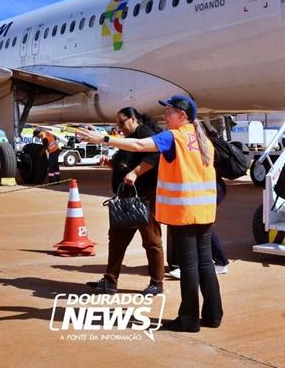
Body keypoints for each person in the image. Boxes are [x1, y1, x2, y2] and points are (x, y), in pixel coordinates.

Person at [77, 94, 222, 333]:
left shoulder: (173, 137)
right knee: (205, 263)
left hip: (184, 211)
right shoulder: (203, 139)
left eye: (169, 111)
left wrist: (103, 138)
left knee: (189, 265)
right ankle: (213, 315)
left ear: (182, 115)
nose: (164, 115)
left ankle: (189, 319)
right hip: (205, 211)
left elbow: (138, 145)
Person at [86, 107, 165, 296]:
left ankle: (157, 283)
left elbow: (155, 155)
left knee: (151, 240)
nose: (120, 127)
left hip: (144, 196)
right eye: (117, 124)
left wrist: (135, 172)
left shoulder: (143, 133)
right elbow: (124, 162)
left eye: (122, 123)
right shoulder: (127, 139)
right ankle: (109, 281)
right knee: (117, 239)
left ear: (134, 119)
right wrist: (110, 163)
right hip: (127, 198)